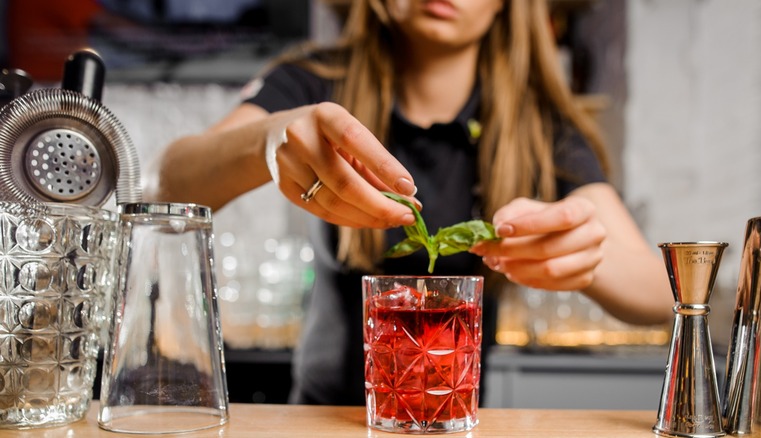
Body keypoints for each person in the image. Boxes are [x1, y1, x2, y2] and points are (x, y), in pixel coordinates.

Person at [152, 0, 673, 405]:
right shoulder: (313, 81)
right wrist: (268, 140)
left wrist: (587, 258)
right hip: (319, 418)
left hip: (450, 418)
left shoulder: (538, 126)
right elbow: (166, 185)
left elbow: (660, 294)